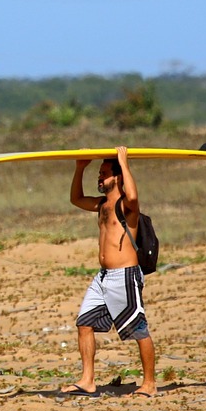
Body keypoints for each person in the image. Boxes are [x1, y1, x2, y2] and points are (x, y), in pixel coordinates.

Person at [61, 146, 157, 397]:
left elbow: (134, 198)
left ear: (117, 178)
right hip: (103, 277)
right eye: (99, 174)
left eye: (104, 174)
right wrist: (80, 167)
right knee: (84, 323)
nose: (100, 178)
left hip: (124, 276)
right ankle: (87, 380)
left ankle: (149, 384)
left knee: (138, 329)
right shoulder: (102, 205)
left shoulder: (126, 206)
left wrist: (124, 162)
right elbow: (76, 199)